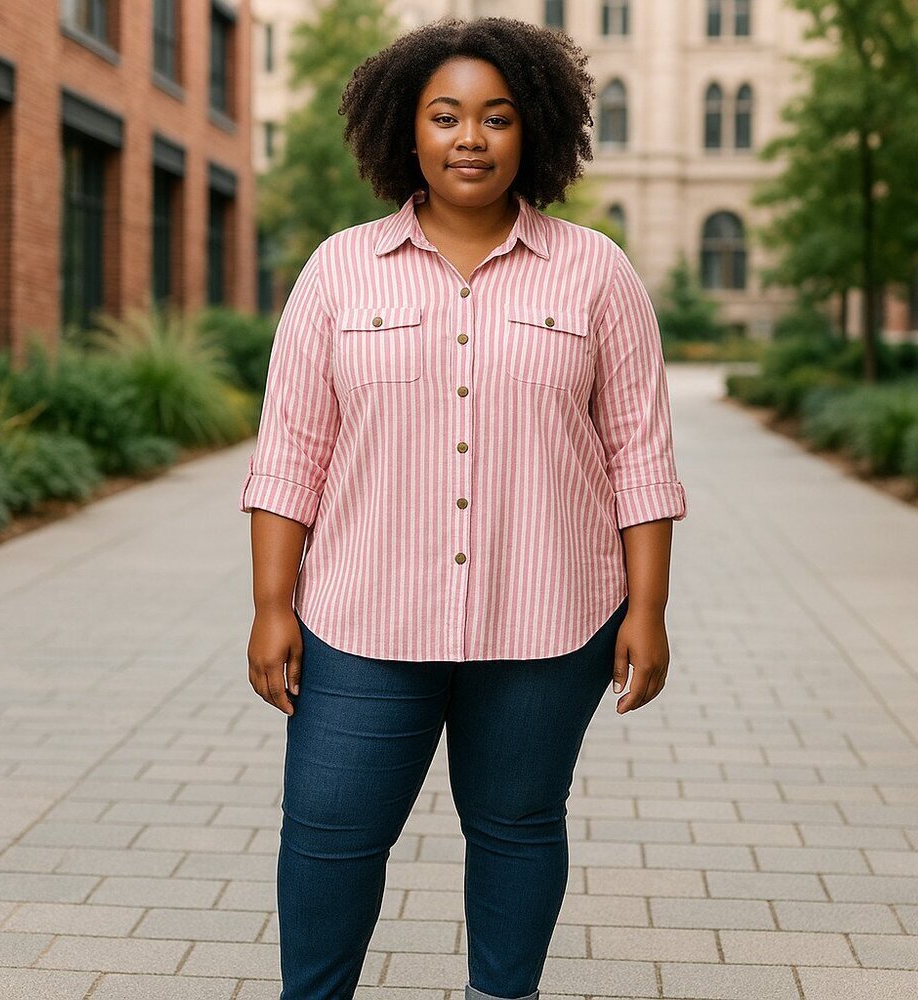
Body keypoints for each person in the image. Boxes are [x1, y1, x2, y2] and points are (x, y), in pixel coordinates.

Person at [238, 15, 688, 1000]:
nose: (470, 138)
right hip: (362, 619)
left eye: (496, 117)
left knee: (519, 826)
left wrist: (646, 612)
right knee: (327, 830)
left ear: (536, 132)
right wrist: (274, 604)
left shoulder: (597, 273)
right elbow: (290, 454)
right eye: (446, 117)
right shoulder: (339, 271)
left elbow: (639, 457)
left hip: (549, 618)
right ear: (409, 129)